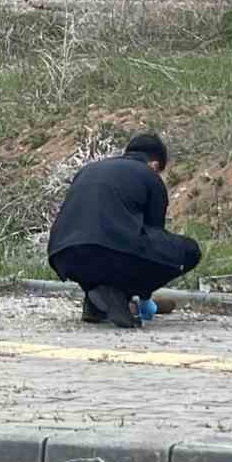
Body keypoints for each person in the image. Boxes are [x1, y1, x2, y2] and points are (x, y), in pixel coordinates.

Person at [47, 134, 202, 328]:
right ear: (154, 165)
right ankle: (120, 295)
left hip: (63, 255)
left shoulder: (89, 169)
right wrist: (144, 295)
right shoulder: (149, 176)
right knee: (189, 250)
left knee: (104, 249)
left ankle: (96, 299)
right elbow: (155, 235)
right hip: (108, 254)